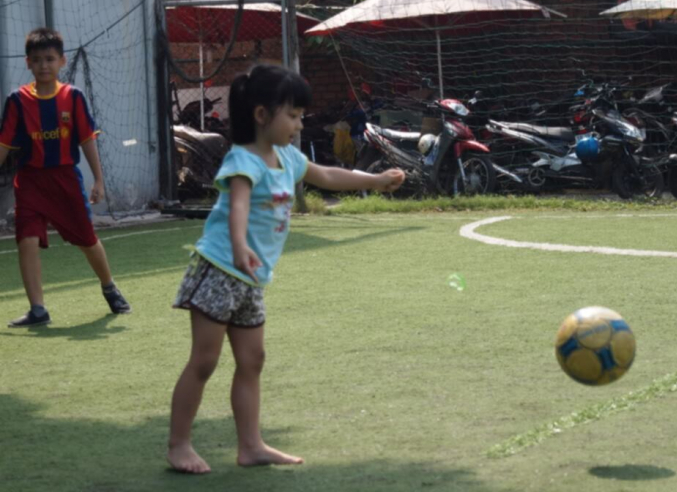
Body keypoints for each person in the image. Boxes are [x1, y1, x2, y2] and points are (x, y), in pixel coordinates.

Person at [167, 64, 404, 474]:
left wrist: (377, 179)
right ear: (262, 115)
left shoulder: (288, 159)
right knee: (204, 361)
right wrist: (240, 247)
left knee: (252, 359)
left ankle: (251, 445)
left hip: (250, 279)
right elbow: (237, 207)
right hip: (220, 268)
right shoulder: (244, 160)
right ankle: (178, 445)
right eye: (292, 116)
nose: (298, 125)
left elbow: (328, 175)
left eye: (299, 116)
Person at [0, 28, 131, 328]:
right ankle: (37, 310)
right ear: (27, 63)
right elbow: (4, 144)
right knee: (26, 241)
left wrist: (98, 180)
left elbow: (86, 140)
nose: (43, 65)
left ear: (62, 61)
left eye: (49, 59)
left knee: (87, 240)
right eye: (37, 60)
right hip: (30, 182)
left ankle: (109, 286)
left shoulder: (73, 97)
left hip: (66, 182)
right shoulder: (16, 101)